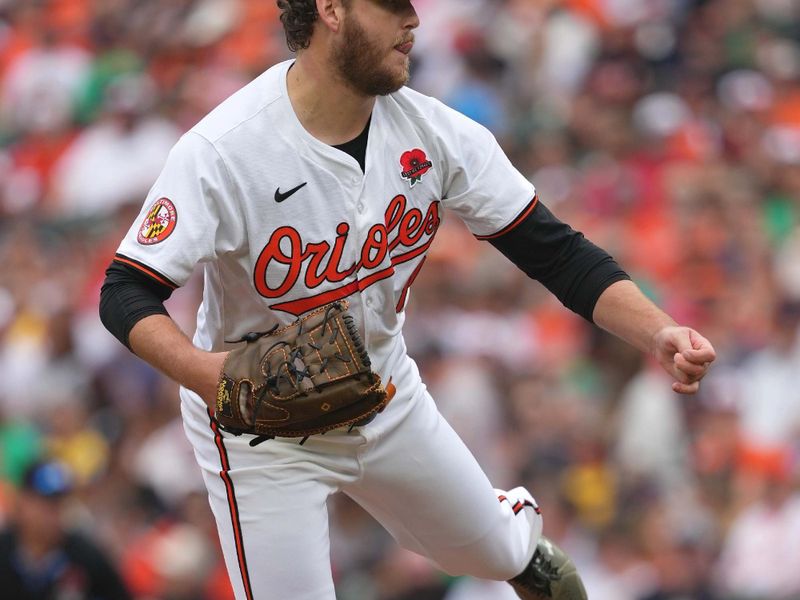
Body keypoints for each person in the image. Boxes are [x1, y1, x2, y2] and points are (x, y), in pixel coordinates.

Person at [98, 1, 716, 598]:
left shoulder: (433, 132)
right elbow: (126, 291)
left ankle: (510, 529)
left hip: (385, 392)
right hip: (263, 432)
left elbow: (553, 251)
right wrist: (208, 376)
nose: (413, 20)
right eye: (392, 4)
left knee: (506, 555)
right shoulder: (223, 151)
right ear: (331, 9)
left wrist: (656, 330)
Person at [0, 460, 133, 600]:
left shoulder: (86, 558)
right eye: (45, 504)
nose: (53, 514)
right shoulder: (4, 550)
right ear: (23, 502)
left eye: (59, 504)